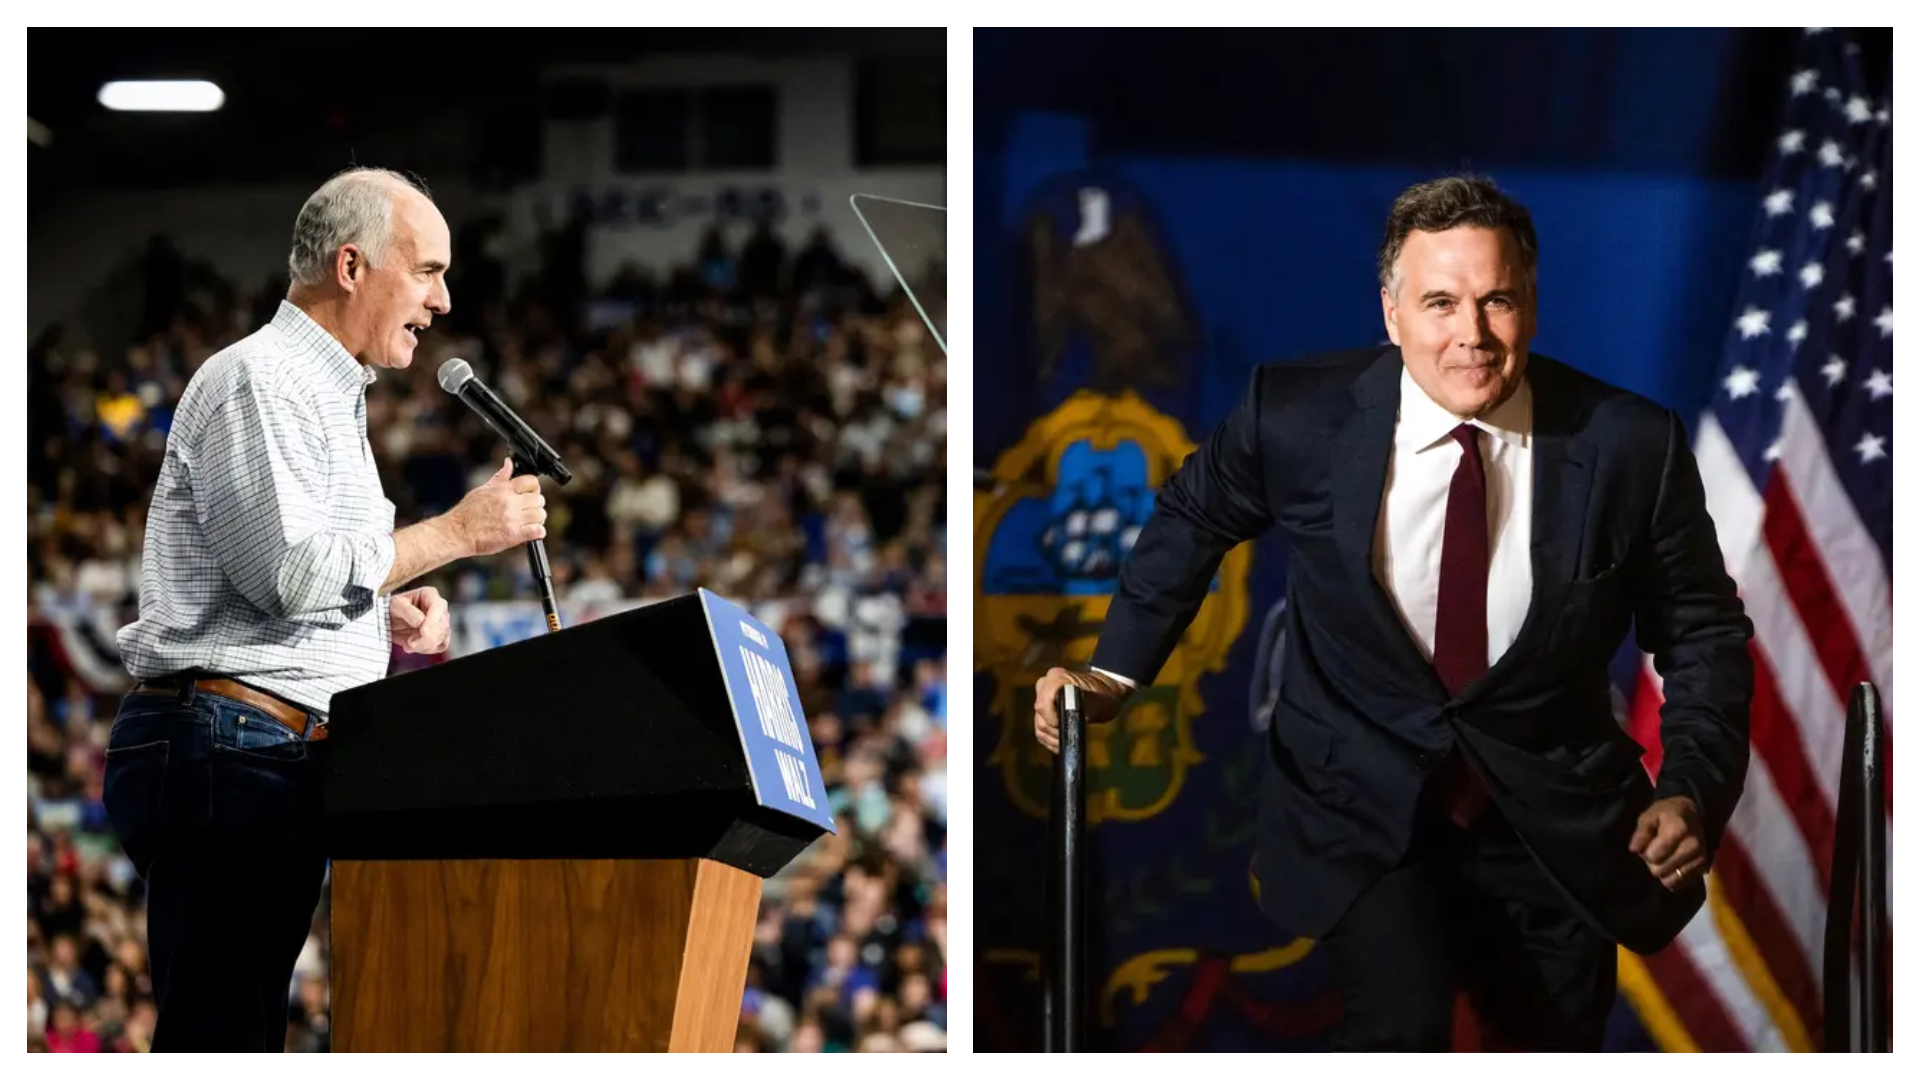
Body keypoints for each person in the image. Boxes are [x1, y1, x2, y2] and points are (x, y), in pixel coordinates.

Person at [1033, 175, 1753, 1051]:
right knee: (1401, 1034)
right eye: (1441, 302)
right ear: (1391, 312)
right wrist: (1113, 670)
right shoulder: (1297, 416)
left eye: (1497, 301)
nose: (1470, 335)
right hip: (1362, 805)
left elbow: (1704, 631)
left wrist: (1691, 788)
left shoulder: (1629, 444)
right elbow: (1195, 514)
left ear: (1531, 301)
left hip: (1552, 818)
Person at [106, 167, 549, 1051]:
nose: (444, 298)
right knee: (221, 1041)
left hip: (268, 747)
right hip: (230, 747)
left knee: (242, 1032)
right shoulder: (260, 381)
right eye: (426, 269)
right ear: (352, 267)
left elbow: (295, 579)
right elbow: (292, 576)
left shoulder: (326, 395)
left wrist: (377, 613)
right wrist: (458, 532)